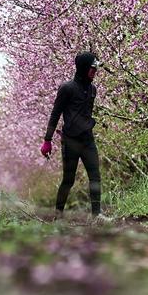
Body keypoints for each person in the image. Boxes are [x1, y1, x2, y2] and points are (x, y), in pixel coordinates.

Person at [41, 51, 103, 218]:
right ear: (83, 68)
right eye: (92, 68)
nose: (95, 72)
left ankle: (97, 216)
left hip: (88, 140)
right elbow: (55, 114)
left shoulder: (93, 89)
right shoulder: (67, 88)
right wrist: (47, 140)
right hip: (70, 141)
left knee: (95, 177)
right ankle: (58, 215)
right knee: (68, 180)